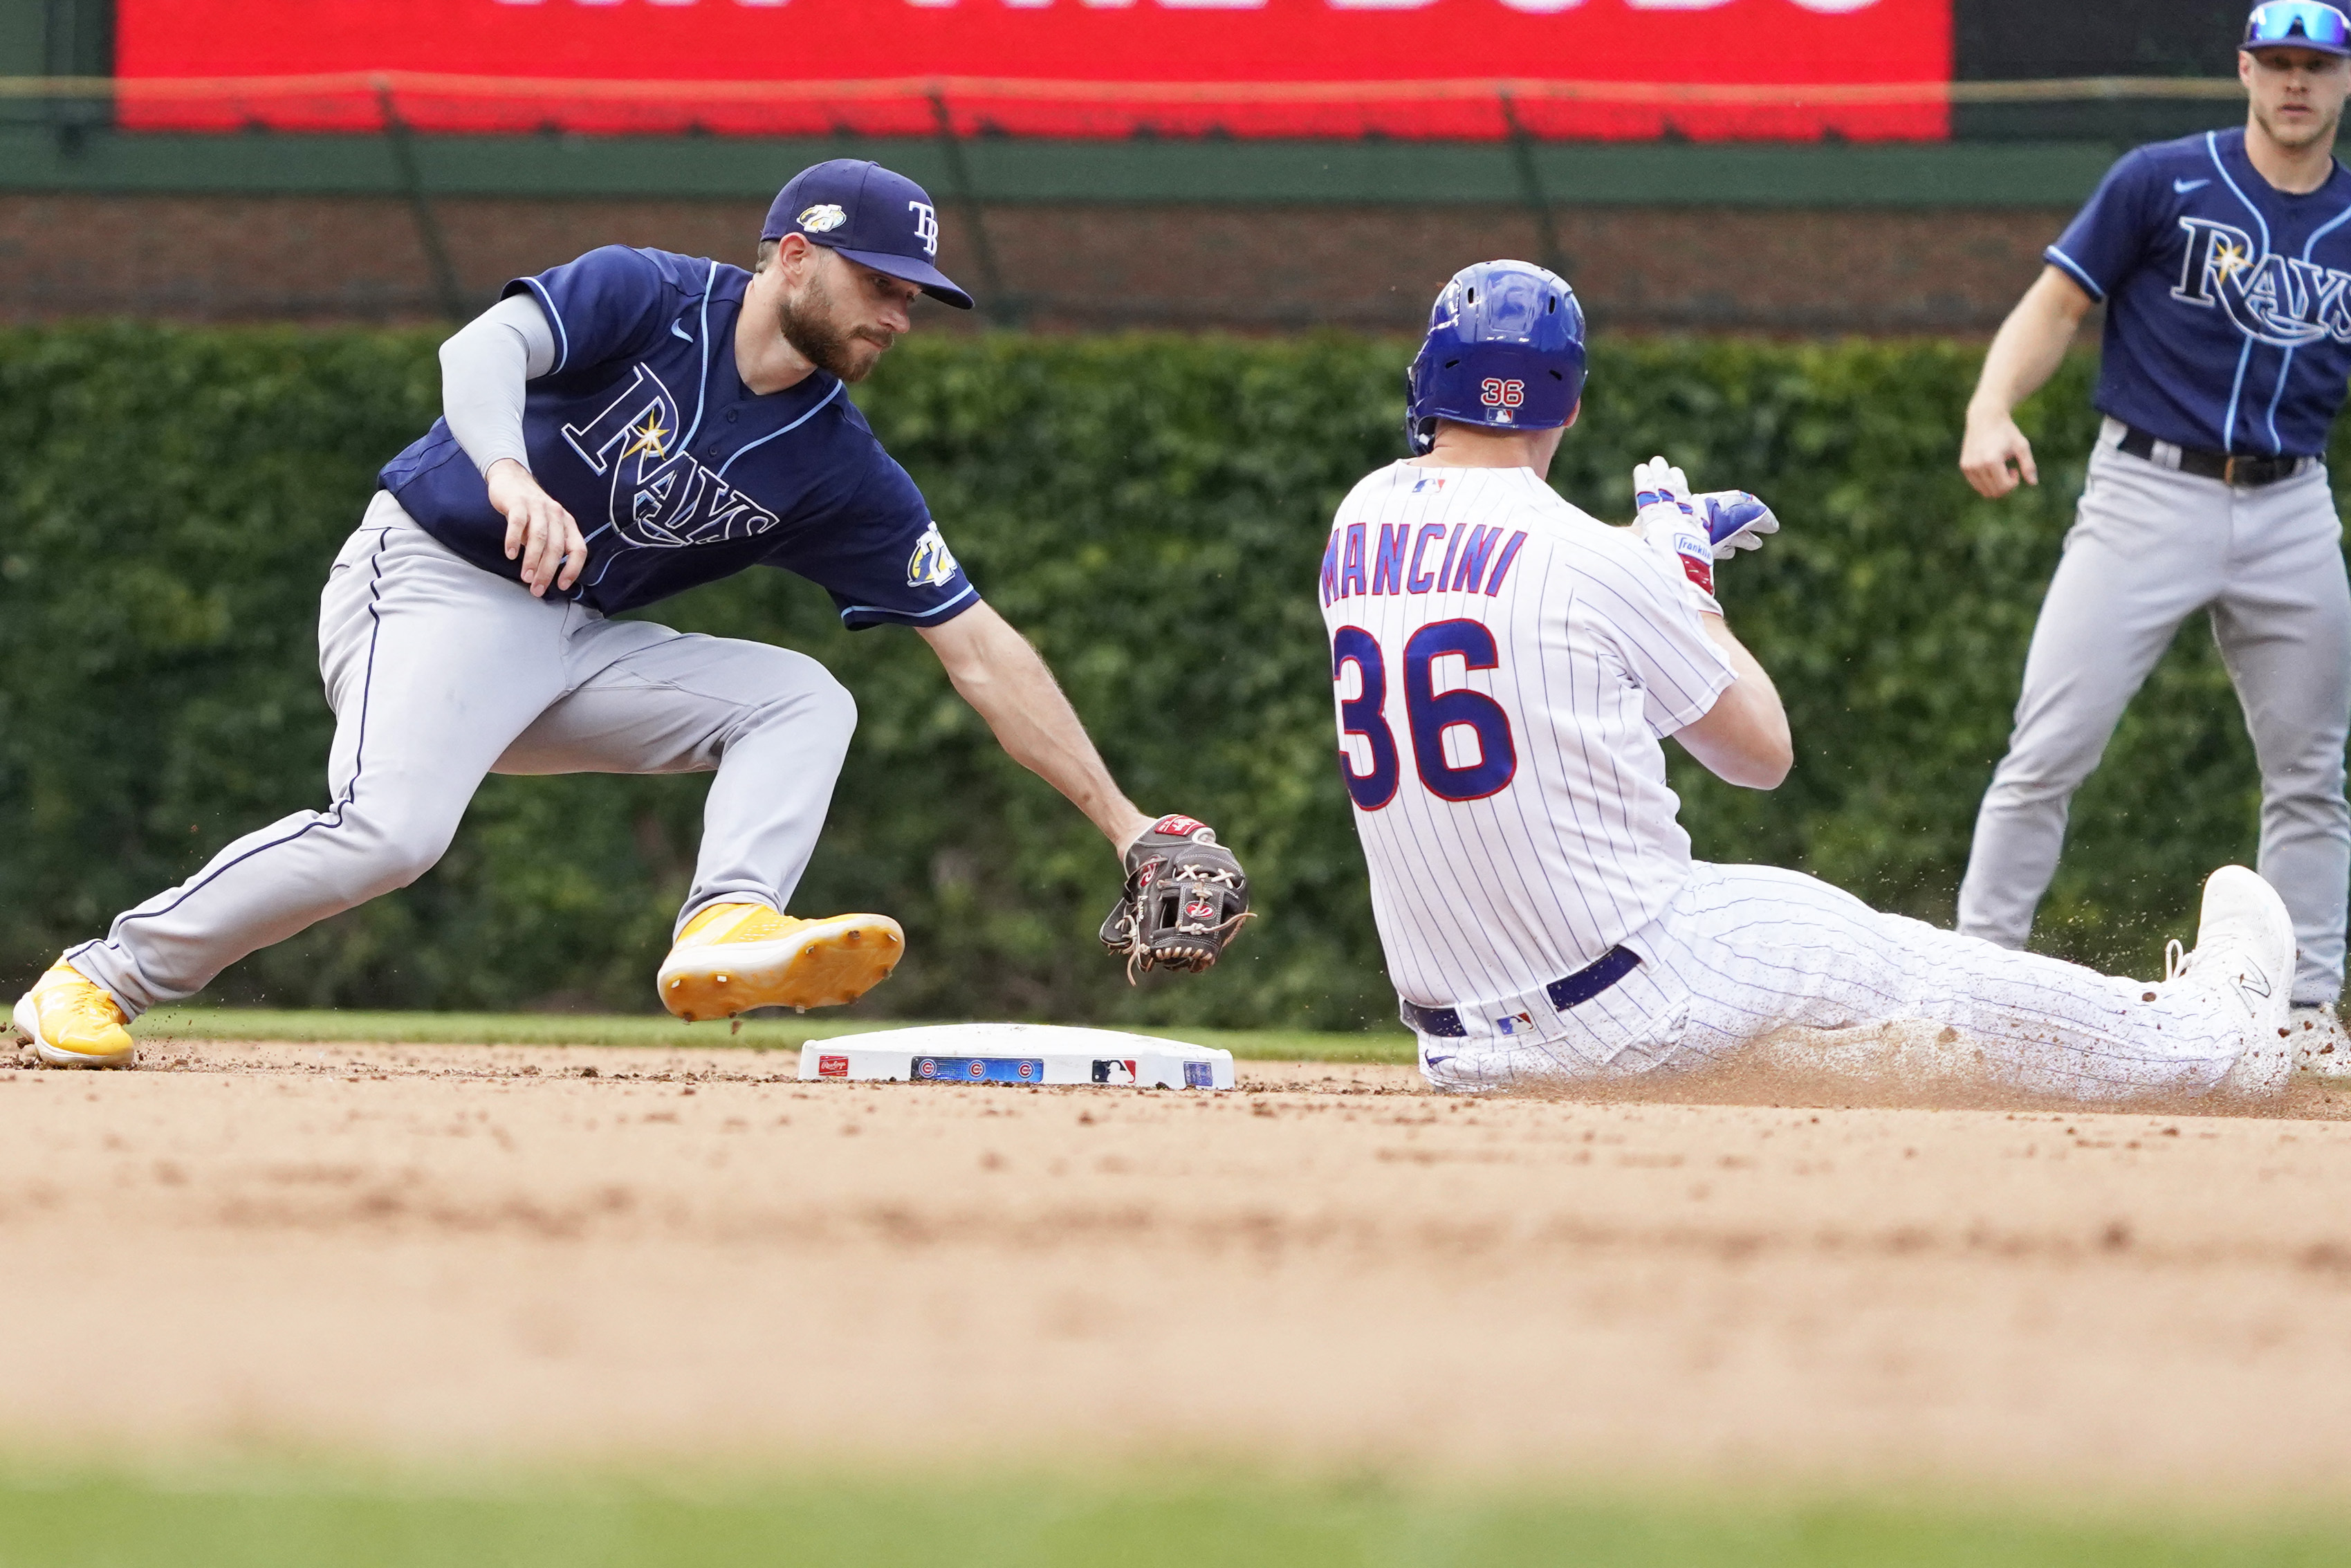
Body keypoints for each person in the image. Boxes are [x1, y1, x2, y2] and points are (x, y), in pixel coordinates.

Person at [12, 158, 1239, 1069]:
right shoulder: (648, 296)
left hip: (574, 639)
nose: (899, 315)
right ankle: (97, 977)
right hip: (433, 578)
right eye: (882, 282)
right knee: (391, 834)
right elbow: (478, 352)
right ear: (793, 256)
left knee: (802, 697)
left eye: (915, 297)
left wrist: (1128, 824)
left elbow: (975, 646)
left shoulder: (832, 458)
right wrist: (507, 474)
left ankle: (725, 921)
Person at [1318, 259, 2299, 1098]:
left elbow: (1513, 594)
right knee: (1911, 964)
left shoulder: (1359, 520)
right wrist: (1685, 578)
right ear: (1569, 399)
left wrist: (1646, 566)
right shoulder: (1595, 564)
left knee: (1835, 1015)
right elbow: (1759, 754)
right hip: (1632, 993)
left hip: (1462, 1047)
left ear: (1431, 382)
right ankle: (2212, 1042)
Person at [1957, 2, 2351, 1067]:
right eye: (2278, 61)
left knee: (2312, 775)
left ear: (2346, 78)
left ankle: (2309, 1019)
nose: (2296, 82)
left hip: (2292, 502)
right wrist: (1991, 407)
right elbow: (2055, 305)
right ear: (2244, 70)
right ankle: (1973, 989)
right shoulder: (2162, 178)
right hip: (2147, 490)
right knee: (2045, 753)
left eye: (2317, 62)